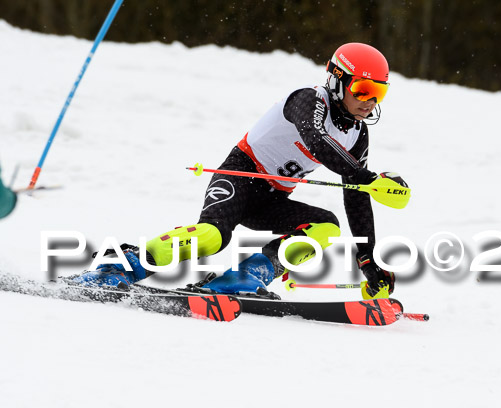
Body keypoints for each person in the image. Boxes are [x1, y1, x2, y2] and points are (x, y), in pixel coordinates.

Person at [73, 42, 407, 299]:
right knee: (212, 238)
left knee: (325, 228)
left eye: (379, 93)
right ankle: (119, 267)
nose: (370, 102)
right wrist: (369, 178)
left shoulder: (358, 134)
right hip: (240, 176)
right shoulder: (307, 100)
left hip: (273, 198)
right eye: (362, 90)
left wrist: (368, 260)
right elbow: (318, 141)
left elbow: (357, 195)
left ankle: (242, 279)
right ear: (336, 81)